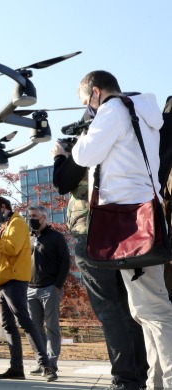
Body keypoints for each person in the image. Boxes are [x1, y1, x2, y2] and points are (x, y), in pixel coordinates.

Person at [71, 70, 172, 389]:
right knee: (146, 308)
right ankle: (157, 380)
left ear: (96, 92)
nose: (89, 108)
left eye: (87, 102)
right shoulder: (144, 114)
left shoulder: (113, 109)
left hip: (128, 222)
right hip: (146, 216)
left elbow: (85, 155)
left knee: (153, 309)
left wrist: (75, 142)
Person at [52, 120, 148, 390]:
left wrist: (61, 157)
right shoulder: (127, 148)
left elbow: (63, 182)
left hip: (92, 234)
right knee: (131, 309)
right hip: (125, 235)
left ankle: (126, 379)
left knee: (110, 310)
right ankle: (139, 374)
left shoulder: (88, 150)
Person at [0, 196, 57, 382]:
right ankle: (16, 368)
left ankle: (46, 365)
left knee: (25, 322)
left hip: (14, 279)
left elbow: (12, 248)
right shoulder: (4, 226)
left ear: (4, 207)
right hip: (2, 280)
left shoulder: (17, 223)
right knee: (8, 325)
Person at [25, 205, 70, 374]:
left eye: (35, 215)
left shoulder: (56, 237)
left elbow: (65, 262)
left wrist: (57, 286)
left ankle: (52, 363)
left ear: (44, 217)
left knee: (51, 326)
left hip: (50, 288)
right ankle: (42, 362)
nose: (31, 219)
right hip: (30, 289)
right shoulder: (28, 238)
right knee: (35, 329)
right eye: (29, 216)